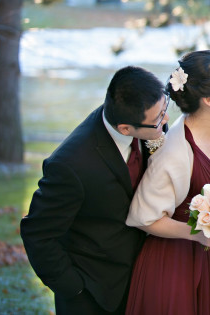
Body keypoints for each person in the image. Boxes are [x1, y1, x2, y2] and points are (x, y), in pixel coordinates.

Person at [21, 66, 167, 314]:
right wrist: (74, 288)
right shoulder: (71, 164)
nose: (164, 123)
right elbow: (38, 234)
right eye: (157, 121)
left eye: (165, 110)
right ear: (125, 129)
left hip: (140, 282)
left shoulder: (142, 126)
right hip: (93, 294)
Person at [125, 50, 210, 314]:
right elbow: (144, 217)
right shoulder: (175, 151)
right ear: (209, 99)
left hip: (206, 258)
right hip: (172, 267)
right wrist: (197, 234)